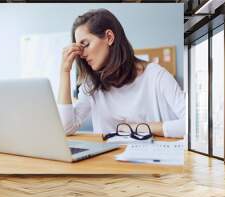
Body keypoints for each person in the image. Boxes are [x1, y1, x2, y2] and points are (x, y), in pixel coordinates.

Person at [57, 8, 185, 138]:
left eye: (85, 44)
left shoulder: (156, 76)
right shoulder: (92, 85)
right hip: (108, 158)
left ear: (109, 37)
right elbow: (66, 128)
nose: (82, 55)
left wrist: (137, 128)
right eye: (79, 48)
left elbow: (191, 126)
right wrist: (64, 71)